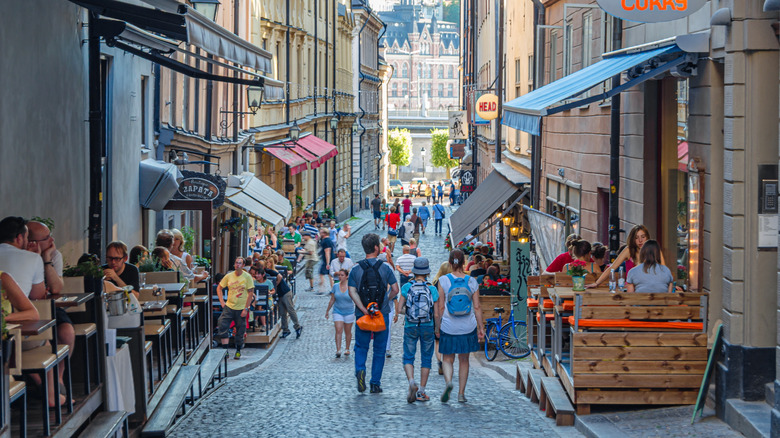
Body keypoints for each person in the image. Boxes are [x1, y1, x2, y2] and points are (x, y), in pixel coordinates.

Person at [348, 233, 400, 394]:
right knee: (379, 349)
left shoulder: (355, 269)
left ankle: (360, 369)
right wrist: (384, 301)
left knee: (361, 346)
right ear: (377, 248)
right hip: (381, 314)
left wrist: (363, 309)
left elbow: (352, 291)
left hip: (363, 314)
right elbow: (395, 289)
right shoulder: (386, 268)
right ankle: (375, 383)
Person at [436, 249, 484, 403]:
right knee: (464, 360)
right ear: (464, 263)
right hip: (467, 327)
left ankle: (449, 381)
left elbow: (441, 308)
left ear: (450, 263)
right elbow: (477, 307)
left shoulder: (443, 281)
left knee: (447, 359)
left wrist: (438, 326)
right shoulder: (472, 281)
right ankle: (461, 394)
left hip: (449, 327)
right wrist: (481, 327)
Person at [394, 257, 438, 403]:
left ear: (414, 271)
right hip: (427, 326)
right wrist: (437, 328)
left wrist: (406, 312)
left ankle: (412, 381)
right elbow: (436, 313)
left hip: (410, 325)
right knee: (426, 358)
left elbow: (399, 309)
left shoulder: (407, 287)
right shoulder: (432, 289)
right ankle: (421, 391)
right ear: (427, 272)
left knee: (408, 356)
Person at [589, 225, 666, 288]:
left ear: (647, 238)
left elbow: (664, 270)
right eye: (636, 237)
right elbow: (612, 268)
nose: (640, 240)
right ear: (633, 239)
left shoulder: (654, 250)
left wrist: (670, 285)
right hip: (630, 289)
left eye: (643, 237)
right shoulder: (628, 250)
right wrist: (597, 283)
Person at [216, 257, 255, 359]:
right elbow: (219, 287)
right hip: (229, 306)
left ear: (243, 266)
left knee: (240, 329)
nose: (237, 265)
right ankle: (225, 351)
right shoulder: (229, 276)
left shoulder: (247, 277)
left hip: (241, 307)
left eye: (240, 263)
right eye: (236, 263)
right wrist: (222, 301)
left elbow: (251, 292)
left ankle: (238, 350)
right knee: (222, 325)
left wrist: (246, 308)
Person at [26, 221, 64, 294]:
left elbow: (56, 289)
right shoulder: (21, 256)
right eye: (46, 238)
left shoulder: (54, 255)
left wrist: (46, 258)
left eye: (50, 235)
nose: (52, 240)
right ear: (30, 242)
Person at [325, 269, 355, 357]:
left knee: (348, 331)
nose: (340, 277)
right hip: (337, 311)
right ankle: (338, 350)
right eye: (339, 275)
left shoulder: (351, 287)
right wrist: (327, 311)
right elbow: (332, 299)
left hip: (349, 311)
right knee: (338, 330)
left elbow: (355, 299)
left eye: (342, 275)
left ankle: (347, 348)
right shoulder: (335, 286)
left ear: (346, 276)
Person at [432, 261, 453, 375]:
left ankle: (439, 361)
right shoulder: (451, 282)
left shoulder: (435, 282)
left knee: (437, 341)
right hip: (451, 315)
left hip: (438, 314)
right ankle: (446, 362)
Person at [249, 264, 274, 331]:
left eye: (258, 274)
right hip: (257, 300)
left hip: (267, 300)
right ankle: (263, 324)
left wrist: (270, 293)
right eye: (256, 274)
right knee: (260, 305)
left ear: (263, 275)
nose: (256, 276)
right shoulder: (254, 282)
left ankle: (256, 320)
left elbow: (273, 291)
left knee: (261, 306)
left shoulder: (268, 282)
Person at [319, 227, 335, 292]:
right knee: (329, 275)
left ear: (325, 233)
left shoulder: (326, 241)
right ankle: (332, 290)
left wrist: (328, 263)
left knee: (322, 274)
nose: (320, 233)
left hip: (327, 261)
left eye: (321, 232)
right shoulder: (327, 240)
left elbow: (327, 252)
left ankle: (322, 290)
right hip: (328, 260)